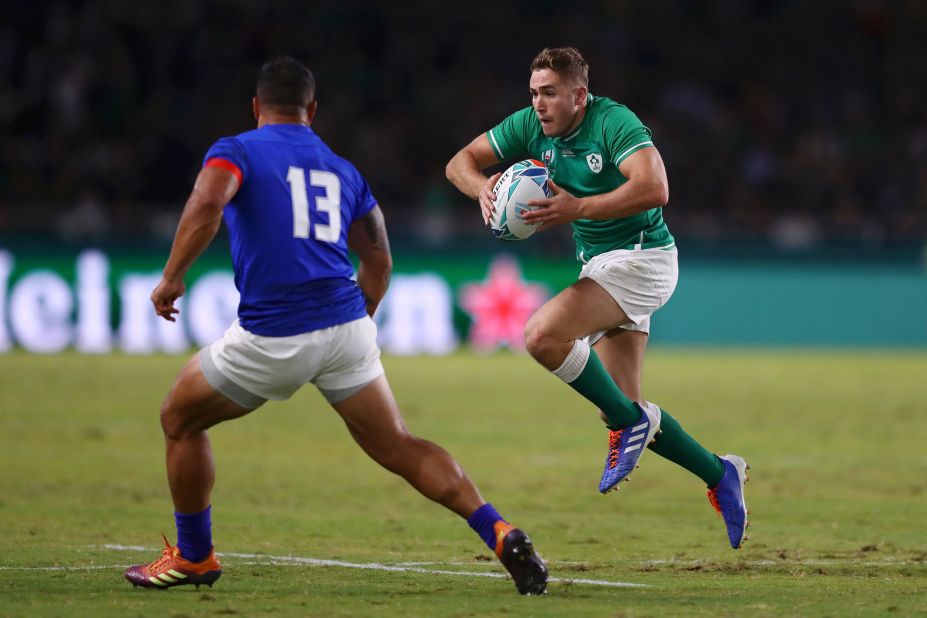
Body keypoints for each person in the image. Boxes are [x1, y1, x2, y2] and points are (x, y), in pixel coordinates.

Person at [124, 57, 548, 595]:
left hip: (275, 331)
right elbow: (379, 262)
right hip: (346, 325)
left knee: (178, 419)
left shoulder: (236, 151)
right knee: (399, 444)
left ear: (256, 107)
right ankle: (498, 529)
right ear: (313, 110)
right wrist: (352, 327)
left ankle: (195, 556)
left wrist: (172, 277)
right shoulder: (342, 170)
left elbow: (208, 199)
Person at [446, 47, 750, 550]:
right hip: (602, 264)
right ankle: (719, 473)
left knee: (542, 335)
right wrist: (482, 189)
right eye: (534, 93)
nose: (538, 104)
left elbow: (655, 187)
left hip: (643, 258)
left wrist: (579, 206)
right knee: (621, 404)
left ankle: (633, 423)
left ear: (579, 96)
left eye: (549, 94)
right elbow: (460, 162)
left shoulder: (613, 121)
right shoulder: (530, 126)